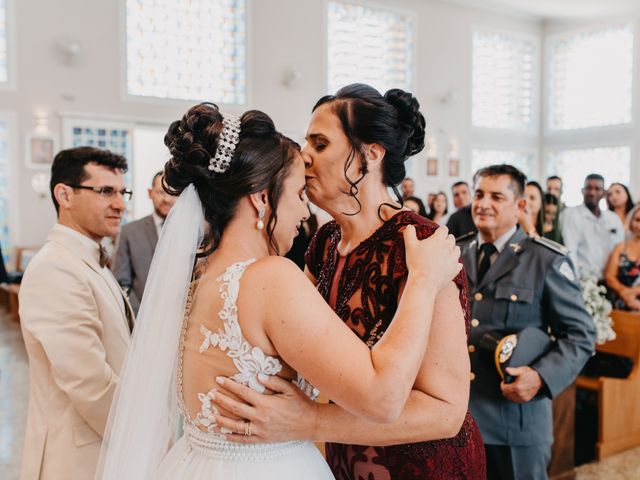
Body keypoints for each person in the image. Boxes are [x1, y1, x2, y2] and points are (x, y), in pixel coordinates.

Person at [97, 103, 464, 479]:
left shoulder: (199, 281)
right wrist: (422, 279)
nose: (304, 212)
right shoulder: (272, 278)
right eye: (298, 193)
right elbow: (382, 397)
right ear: (260, 198)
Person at [209, 84, 486, 479]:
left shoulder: (422, 245)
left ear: (370, 155)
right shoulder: (323, 243)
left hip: (423, 466)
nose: (304, 156)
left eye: (320, 144)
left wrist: (312, 422)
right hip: (345, 462)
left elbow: (446, 412)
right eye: (306, 142)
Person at [460, 164, 595, 480]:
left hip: (515, 424)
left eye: (496, 196)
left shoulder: (545, 259)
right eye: (479, 194)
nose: (483, 203)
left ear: (520, 206)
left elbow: (581, 334)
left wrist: (541, 377)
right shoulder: (455, 252)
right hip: (458, 420)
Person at [18, 147, 134, 480]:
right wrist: (141, 436)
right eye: (105, 192)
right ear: (64, 194)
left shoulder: (85, 259)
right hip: (75, 460)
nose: (120, 204)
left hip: (102, 448)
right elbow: (89, 382)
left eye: (122, 192)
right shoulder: (55, 268)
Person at [112, 171, 176, 314]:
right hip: (141, 319)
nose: (167, 199)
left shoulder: (192, 232)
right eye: (160, 192)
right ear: (150, 193)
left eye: (172, 193)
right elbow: (121, 282)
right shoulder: (129, 232)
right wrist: (140, 317)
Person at [561, 174, 625, 279]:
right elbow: (570, 250)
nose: (592, 192)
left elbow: (619, 250)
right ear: (582, 191)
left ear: (604, 193)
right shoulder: (571, 215)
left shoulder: (613, 219)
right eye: (588, 188)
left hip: (610, 281)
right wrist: (576, 283)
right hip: (582, 281)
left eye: (597, 189)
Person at [604, 204, 640, 311]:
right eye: (637, 220)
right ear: (631, 221)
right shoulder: (621, 247)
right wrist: (624, 294)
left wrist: (631, 293)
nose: (639, 225)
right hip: (619, 304)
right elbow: (609, 276)